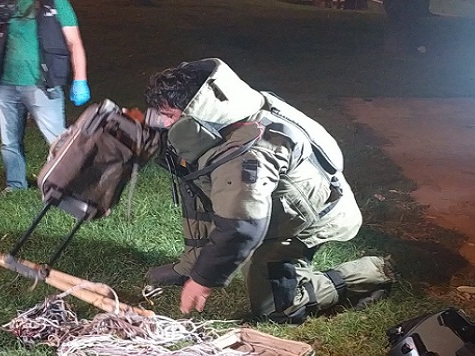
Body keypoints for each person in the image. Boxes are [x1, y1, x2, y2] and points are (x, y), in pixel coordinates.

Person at [142, 58, 394, 324]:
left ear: (199, 111)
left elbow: (241, 227)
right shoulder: (230, 114)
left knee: (277, 310)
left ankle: (371, 273)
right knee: (193, 177)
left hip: (306, 221)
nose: (163, 124)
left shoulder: (248, 156)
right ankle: (192, 263)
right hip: (279, 202)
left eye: (169, 116)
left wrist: (202, 281)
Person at [0, 0, 90, 194]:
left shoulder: (56, 3)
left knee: (58, 140)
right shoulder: (6, 3)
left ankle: (73, 185)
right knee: (9, 142)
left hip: (41, 85)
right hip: (7, 84)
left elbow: (74, 42)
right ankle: (14, 185)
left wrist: (80, 79)